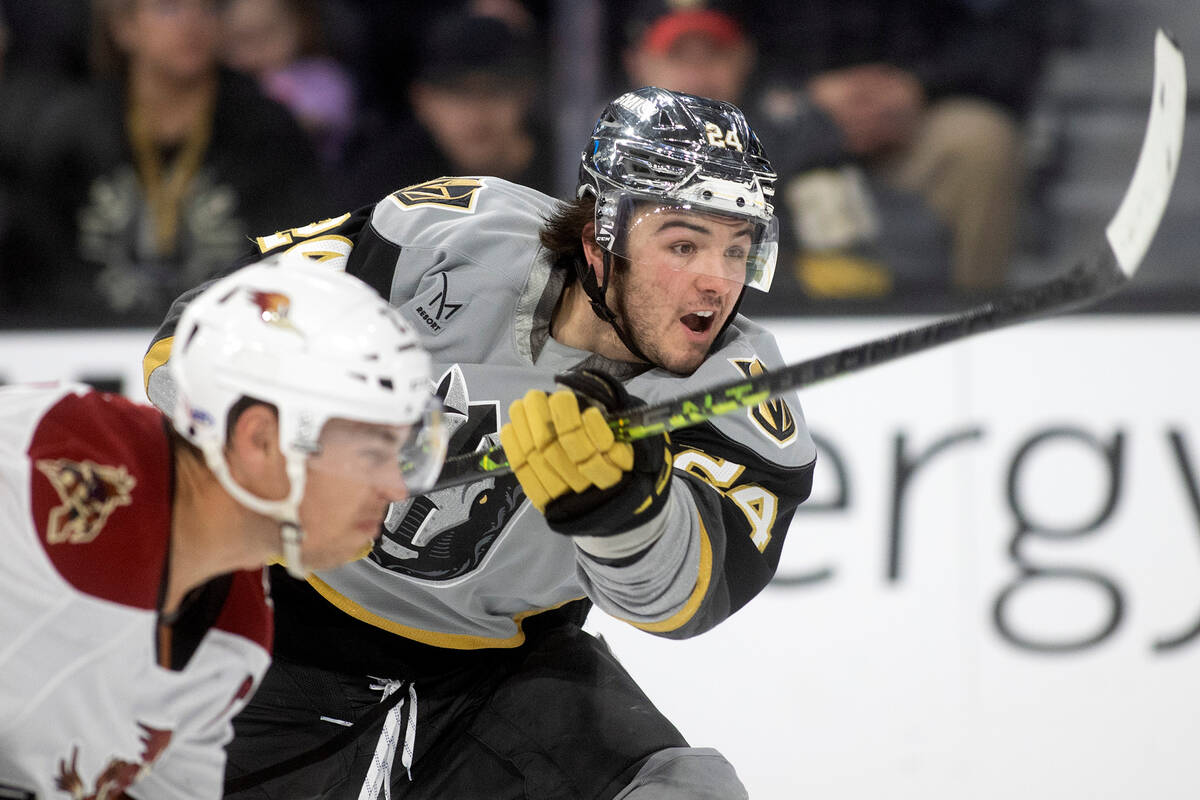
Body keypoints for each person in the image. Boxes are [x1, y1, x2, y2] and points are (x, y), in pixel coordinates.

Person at [143, 86, 817, 799]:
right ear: (599, 238)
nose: (717, 282)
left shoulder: (740, 387)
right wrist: (294, 446)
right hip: (277, 626)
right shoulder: (451, 233)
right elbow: (193, 337)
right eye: (684, 243)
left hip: (497, 679)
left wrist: (623, 509)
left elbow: (687, 601)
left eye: (737, 250)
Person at [0, 254, 446, 799]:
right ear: (260, 439)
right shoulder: (37, 465)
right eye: (373, 453)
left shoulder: (236, 633)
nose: (397, 489)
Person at [619, 0, 1047, 298]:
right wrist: (809, 110)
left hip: (870, 151)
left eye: (713, 56)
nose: (698, 75)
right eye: (680, 58)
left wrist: (914, 85)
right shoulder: (622, 141)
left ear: (740, 58)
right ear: (638, 63)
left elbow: (908, 246)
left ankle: (968, 325)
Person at [6, 0, 330, 325]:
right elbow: (34, 263)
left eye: (209, 8)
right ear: (123, 26)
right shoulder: (70, 131)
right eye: (169, 7)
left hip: (230, 337)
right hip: (82, 342)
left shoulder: (267, 131)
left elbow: (298, 255)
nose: (192, 23)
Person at [334, 9, 555, 208]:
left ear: (526, 94)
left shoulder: (569, 166)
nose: (475, 114)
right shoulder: (383, 185)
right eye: (456, 93)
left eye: (495, 90)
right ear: (422, 100)